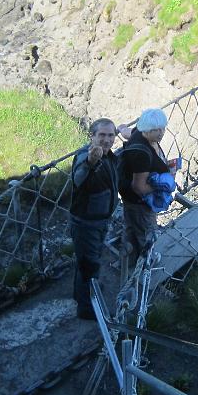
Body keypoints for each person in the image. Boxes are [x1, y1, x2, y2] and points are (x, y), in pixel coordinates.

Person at [68, 118, 120, 319]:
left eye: (110, 135)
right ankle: (88, 310)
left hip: (98, 221)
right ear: (92, 136)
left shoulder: (109, 156)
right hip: (86, 223)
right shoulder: (86, 156)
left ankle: (80, 296)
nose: (107, 140)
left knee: (85, 262)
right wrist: (91, 162)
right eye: (102, 135)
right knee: (90, 265)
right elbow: (79, 178)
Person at [119, 108, 172, 273]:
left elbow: (127, 132)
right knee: (146, 230)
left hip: (129, 198)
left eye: (163, 128)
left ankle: (129, 255)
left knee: (131, 225)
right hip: (140, 201)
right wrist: (165, 183)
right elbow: (139, 187)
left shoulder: (139, 133)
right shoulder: (141, 154)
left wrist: (120, 128)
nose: (161, 133)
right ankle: (146, 263)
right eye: (156, 130)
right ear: (147, 130)